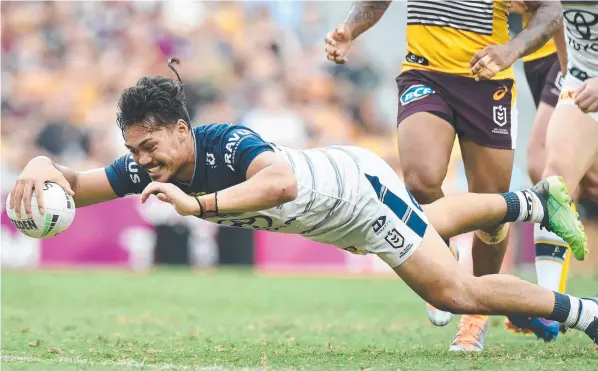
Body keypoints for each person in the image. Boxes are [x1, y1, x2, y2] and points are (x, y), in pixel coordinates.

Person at [7, 60, 598, 347]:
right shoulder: (144, 165)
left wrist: (199, 206)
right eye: (134, 149)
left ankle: (583, 312)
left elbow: (280, 185)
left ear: (182, 131)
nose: (142, 160)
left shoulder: (225, 142)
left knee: (452, 291)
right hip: (344, 204)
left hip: (352, 199)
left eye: (151, 145)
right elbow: (77, 184)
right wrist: (39, 165)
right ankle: (529, 201)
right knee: (432, 221)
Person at [324, 0, 564, 351]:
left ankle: (476, 316)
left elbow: (551, 11)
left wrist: (511, 49)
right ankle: (440, 260)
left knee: (493, 212)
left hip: (487, 81)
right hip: (424, 73)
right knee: (419, 180)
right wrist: (350, 29)